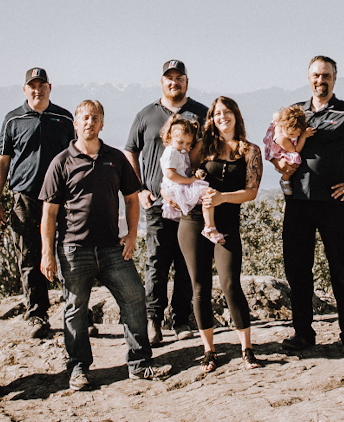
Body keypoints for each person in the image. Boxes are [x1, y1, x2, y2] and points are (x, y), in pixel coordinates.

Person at [40, 100, 166, 390]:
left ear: (102, 123)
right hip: (74, 249)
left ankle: (139, 363)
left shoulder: (115, 158)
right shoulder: (61, 162)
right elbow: (49, 212)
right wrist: (48, 253)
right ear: (75, 123)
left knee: (135, 297)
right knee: (75, 309)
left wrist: (132, 235)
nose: (90, 122)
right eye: (84, 117)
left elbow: (132, 197)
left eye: (95, 118)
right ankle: (78, 369)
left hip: (112, 247)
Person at [274, 56, 344, 353]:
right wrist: (280, 165)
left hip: (334, 204)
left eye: (326, 75)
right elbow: (276, 146)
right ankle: (303, 334)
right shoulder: (295, 113)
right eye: (315, 75)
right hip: (297, 204)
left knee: (341, 271)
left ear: (335, 78)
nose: (320, 80)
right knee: (298, 272)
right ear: (308, 77)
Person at [171, 96, 264, 372]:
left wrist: (223, 198)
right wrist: (170, 194)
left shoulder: (250, 151)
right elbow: (179, 174)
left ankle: (246, 348)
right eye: (217, 113)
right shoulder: (202, 147)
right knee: (199, 287)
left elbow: (251, 192)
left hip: (226, 224)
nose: (223, 116)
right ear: (212, 118)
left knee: (230, 284)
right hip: (192, 223)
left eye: (228, 112)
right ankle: (209, 351)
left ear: (236, 115)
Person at [124, 60, 209, 344]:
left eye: (179, 78)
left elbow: (211, 150)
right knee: (157, 262)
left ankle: (181, 319)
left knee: (187, 260)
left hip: (190, 205)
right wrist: (138, 190)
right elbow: (130, 153)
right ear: (162, 82)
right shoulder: (146, 115)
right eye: (169, 78)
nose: (174, 82)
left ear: (187, 81)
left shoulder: (200, 113)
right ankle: (153, 320)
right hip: (157, 203)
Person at [0, 67, 75, 339]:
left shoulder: (64, 117)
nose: (37, 90)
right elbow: (2, 161)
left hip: (62, 196)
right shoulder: (12, 119)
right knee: (29, 254)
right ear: (25, 90)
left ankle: (75, 312)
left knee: (69, 252)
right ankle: (37, 314)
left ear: (50, 87)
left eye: (42, 85)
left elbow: (76, 157)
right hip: (25, 197)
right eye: (32, 86)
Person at [157, 114, 223, 244]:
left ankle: (208, 225)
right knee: (207, 192)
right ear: (171, 137)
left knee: (206, 194)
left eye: (188, 143)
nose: (184, 146)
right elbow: (170, 174)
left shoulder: (180, 152)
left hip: (180, 185)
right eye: (180, 142)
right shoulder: (171, 151)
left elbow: (182, 170)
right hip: (176, 187)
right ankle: (209, 227)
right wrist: (191, 181)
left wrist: (194, 174)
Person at [261, 105, 315, 195]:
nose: (294, 136)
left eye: (298, 133)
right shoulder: (282, 139)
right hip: (277, 152)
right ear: (282, 127)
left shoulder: (283, 121)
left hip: (283, 146)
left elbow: (277, 115)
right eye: (291, 134)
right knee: (293, 160)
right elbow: (295, 150)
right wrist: (303, 137)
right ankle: (285, 179)